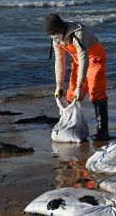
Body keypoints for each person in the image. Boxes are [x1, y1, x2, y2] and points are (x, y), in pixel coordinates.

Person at [45, 13, 109, 141]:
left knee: (96, 91)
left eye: (55, 34)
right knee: (70, 95)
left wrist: (80, 86)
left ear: (61, 29)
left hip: (95, 60)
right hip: (78, 62)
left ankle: (103, 132)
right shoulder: (56, 39)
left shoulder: (79, 34)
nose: (54, 37)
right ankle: (69, 126)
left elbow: (84, 59)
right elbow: (59, 61)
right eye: (51, 35)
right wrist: (59, 86)